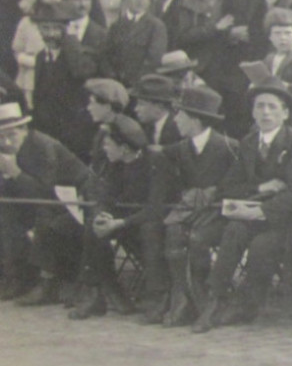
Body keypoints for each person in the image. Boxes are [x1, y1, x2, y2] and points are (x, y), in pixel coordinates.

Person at [189, 78, 292, 333]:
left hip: (289, 217)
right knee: (233, 230)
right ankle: (216, 298)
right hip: (253, 213)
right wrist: (259, 189)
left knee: (261, 245)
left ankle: (248, 304)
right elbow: (230, 186)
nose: (265, 113)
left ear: (285, 113)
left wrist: (262, 210)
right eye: (260, 107)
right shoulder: (248, 142)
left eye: (272, 107)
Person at [155, 85, 238, 327]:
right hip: (192, 213)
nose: (175, 120)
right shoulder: (181, 148)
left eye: (180, 114)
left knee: (197, 238)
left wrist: (213, 195)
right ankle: (182, 298)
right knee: (173, 233)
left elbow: (238, 184)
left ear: (196, 119)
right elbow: (156, 154)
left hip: (220, 215)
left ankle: (207, 301)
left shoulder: (228, 146)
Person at [0, 101, 90, 306]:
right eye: (1, 136)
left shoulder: (42, 146)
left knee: (44, 217)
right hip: (33, 199)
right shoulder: (6, 149)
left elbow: (46, 193)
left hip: (72, 200)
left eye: (11, 134)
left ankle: (48, 284)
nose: (6, 141)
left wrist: (15, 173)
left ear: (24, 129)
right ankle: (15, 275)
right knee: (4, 211)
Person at [71, 114, 156, 320]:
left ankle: (107, 291)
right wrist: (103, 215)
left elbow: (156, 207)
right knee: (95, 226)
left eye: (108, 144)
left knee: (136, 231)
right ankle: (100, 292)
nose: (104, 149)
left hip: (148, 221)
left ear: (124, 147)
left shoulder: (152, 163)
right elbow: (103, 195)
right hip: (123, 220)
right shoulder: (113, 164)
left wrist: (119, 222)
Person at [165, 0, 242, 131]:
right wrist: (214, 29)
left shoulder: (230, 0)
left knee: (230, 113)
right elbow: (182, 37)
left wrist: (230, 34)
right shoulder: (185, 4)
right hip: (200, 67)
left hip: (229, 65)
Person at [30, 0, 97, 160]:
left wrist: (71, 42)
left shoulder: (78, 55)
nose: (50, 34)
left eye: (56, 29)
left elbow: (81, 72)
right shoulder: (40, 57)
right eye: (45, 28)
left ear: (66, 30)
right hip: (48, 130)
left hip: (73, 131)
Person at [249, 7, 292, 127]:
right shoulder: (269, 58)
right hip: (272, 111)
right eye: (277, 33)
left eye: (288, 33)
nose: (283, 38)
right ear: (270, 37)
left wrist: (287, 86)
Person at [98, 0, 167, 88]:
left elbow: (153, 60)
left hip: (141, 87)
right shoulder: (116, 26)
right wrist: (112, 78)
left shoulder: (156, 27)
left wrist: (134, 83)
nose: (140, 1)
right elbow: (105, 56)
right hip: (116, 86)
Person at [131, 72, 182, 153]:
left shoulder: (179, 130)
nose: (136, 109)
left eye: (141, 104)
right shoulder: (147, 127)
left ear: (159, 108)